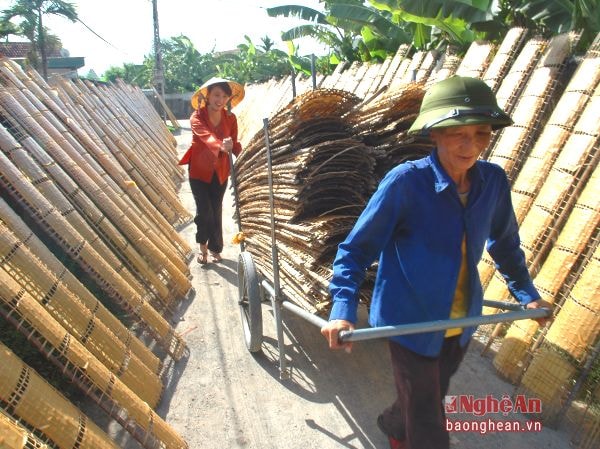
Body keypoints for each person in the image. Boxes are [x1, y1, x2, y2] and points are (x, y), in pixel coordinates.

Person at [320, 76, 552, 449]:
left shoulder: (492, 182)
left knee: (429, 392)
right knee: (429, 420)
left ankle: (394, 424)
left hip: (462, 321)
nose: (470, 144)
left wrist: (527, 295)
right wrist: (342, 308)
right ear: (435, 134)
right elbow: (356, 249)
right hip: (408, 320)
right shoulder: (406, 183)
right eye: (457, 133)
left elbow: (505, 243)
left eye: (481, 133)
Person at [179, 77, 245, 264]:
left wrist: (243, 154)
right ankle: (203, 248)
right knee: (204, 211)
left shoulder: (231, 118)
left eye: (225, 96)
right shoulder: (197, 117)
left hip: (221, 172)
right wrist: (221, 146)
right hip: (199, 172)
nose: (220, 99)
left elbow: (234, 141)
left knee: (216, 210)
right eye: (217, 94)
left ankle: (216, 248)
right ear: (208, 95)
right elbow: (205, 136)